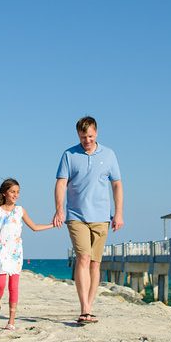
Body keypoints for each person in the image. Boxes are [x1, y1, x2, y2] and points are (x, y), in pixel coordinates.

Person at [52, 116, 123, 325]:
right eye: (83, 137)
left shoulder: (109, 155)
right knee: (83, 257)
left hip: (101, 217)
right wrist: (59, 210)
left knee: (95, 263)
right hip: (76, 216)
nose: (87, 141)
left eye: (90, 136)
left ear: (96, 133)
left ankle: (89, 307)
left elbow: (117, 184)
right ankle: (84, 309)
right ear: (78, 135)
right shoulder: (69, 155)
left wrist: (118, 213)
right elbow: (61, 184)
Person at [0, 178, 54, 331]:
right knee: (1, 284)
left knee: (13, 287)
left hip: (15, 254)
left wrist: (52, 225)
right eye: (12, 192)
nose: (16, 195)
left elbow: (34, 227)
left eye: (18, 192)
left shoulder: (20, 210)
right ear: (4, 193)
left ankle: (11, 321)